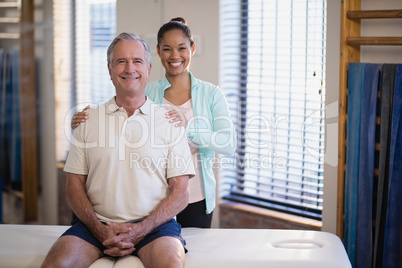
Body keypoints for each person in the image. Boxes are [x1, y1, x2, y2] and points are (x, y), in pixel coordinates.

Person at [43, 32, 195, 268]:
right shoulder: (87, 121)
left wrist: (139, 230)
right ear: (110, 69)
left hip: (155, 227)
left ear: (149, 68)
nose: (129, 68)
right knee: (56, 265)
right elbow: (73, 188)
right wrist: (99, 229)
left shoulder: (170, 122)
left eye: (137, 61)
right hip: (96, 225)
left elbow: (181, 193)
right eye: (121, 61)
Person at [71, 17, 236, 228]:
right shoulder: (148, 89)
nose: (175, 55)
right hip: (154, 201)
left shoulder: (211, 94)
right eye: (167, 49)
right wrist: (85, 122)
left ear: (192, 49)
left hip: (196, 198)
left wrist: (189, 128)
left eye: (181, 48)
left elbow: (228, 144)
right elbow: (119, 114)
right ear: (158, 52)